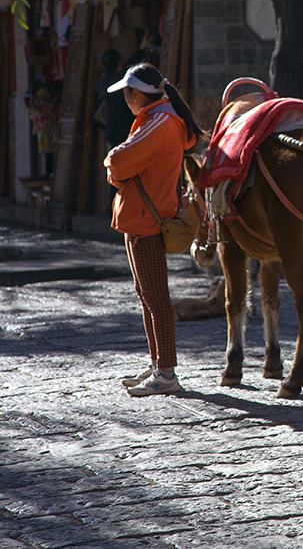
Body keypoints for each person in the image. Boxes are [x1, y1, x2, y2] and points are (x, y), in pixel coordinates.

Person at [104, 63, 203, 396]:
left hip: (146, 218)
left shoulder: (159, 123)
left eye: (126, 94)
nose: (125, 100)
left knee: (156, 299)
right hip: (140, 216)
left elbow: (117, 162)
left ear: (136, 94)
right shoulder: (158, 119)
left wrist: (114, 172)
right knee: (147, 296)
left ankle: (166, 372)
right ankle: (159, 363)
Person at [94, 49, 134, 148]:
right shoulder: (120, 81)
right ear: (118, 62)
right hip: (122, 129)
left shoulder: (105, 79)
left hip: (112, 130)